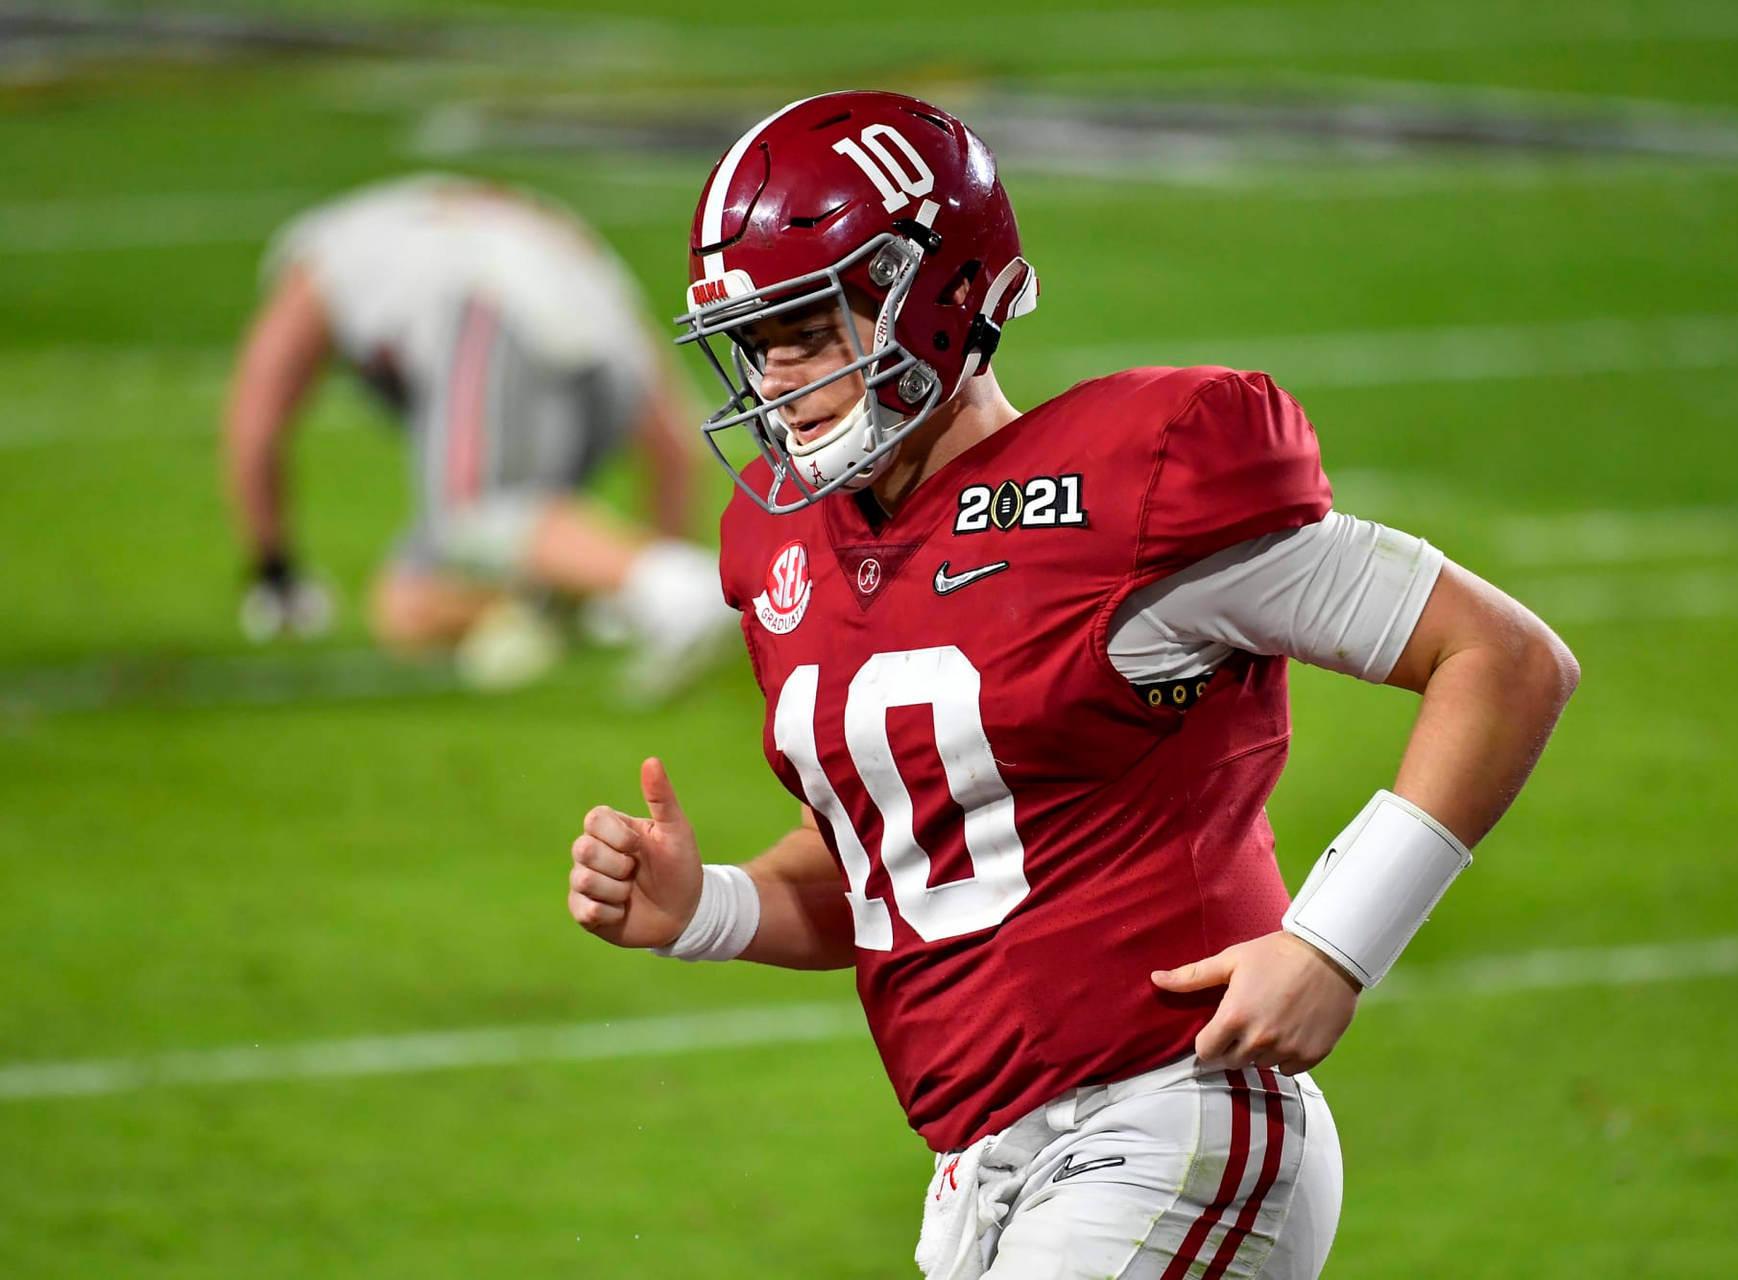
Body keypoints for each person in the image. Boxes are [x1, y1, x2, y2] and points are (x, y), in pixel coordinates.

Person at [566, 92, 1579, 1278]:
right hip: (979, 1169)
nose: (779, 376)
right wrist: (709, 906)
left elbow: (1504, 660)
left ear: (932, 295)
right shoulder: (787, 554)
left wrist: (1337, 941)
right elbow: (906, 867)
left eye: (810, 323)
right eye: (756, 340)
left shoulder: (1134, 485)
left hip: (1168, 1117)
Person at [223, 173, 734, 695]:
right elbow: (676, 447)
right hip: (599, 330)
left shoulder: (324, 255)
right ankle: (605, 602)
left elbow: (256, 415)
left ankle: (670, 587)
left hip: (490, 314)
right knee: (406, 602)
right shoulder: (499, 223)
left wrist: (274, 572)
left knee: (475, 515)